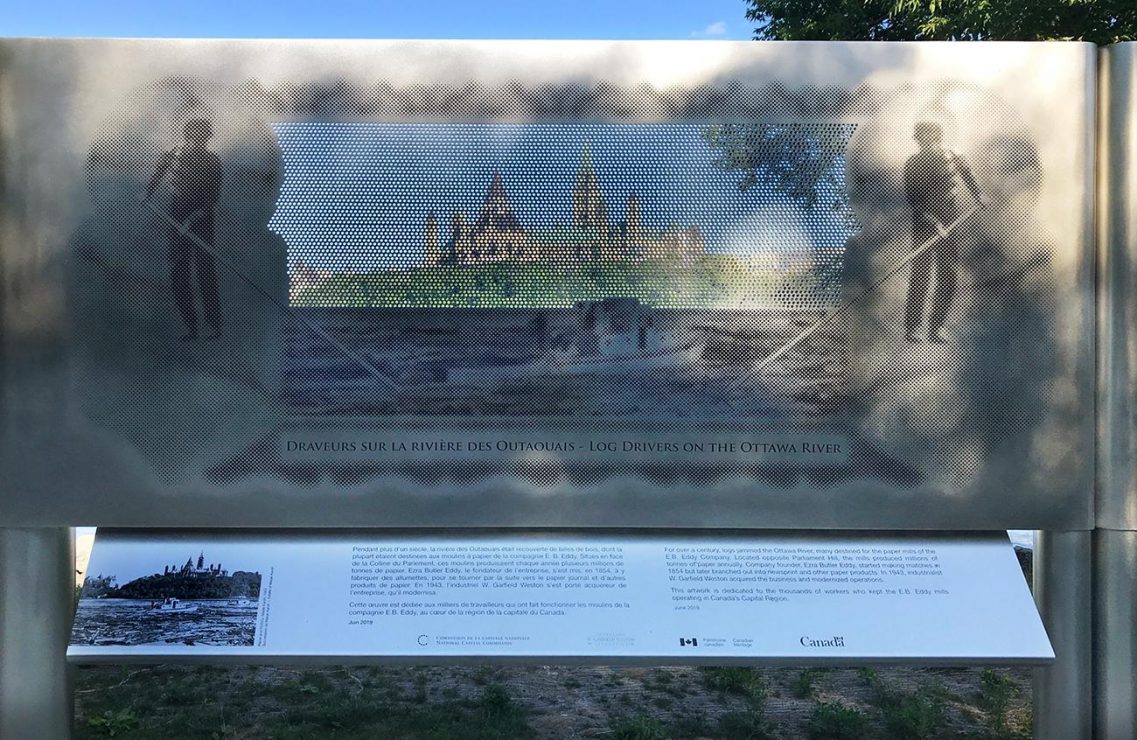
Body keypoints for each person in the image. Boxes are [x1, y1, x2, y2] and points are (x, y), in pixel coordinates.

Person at [902, 121, 983, 344]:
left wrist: (978, 196)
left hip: (951, 220)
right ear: (917, 139)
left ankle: (936, 328)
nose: (925, 139)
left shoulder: (953, 155)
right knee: (921, 276)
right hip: (923, 223)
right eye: (921, 136)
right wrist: (932, 223)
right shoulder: (913, 163)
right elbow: (913, 201)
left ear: (938, 135)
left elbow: (967, 174)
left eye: (930, 135)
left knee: (948, 275)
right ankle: (913, 328)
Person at [145, 119, 224, 340]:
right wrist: (147, 194)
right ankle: (191, 326)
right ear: (187, 136)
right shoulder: (174, 154)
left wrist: (195, 218)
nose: (199, 141)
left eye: (203, 138)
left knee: (205, 271)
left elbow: (213, 197)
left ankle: (213, 325)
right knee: (178, 270)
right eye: (194, 137)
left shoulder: (212, 161)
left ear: (207, 139)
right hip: (176, 216)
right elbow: (157, 174)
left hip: (202, 218)